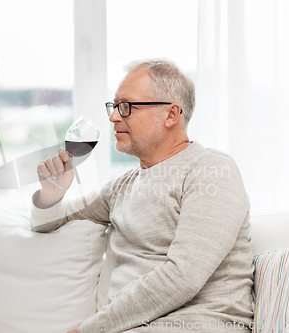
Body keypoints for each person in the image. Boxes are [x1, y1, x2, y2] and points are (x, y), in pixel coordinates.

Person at [30, 58, 253, 333]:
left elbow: (182, 277)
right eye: (114, 107)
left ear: (171, 115)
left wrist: (88, 330)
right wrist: (50, 194)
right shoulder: (121, 188)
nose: (113, 117)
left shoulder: (211, 170)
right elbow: (46, 222)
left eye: (126, 107)